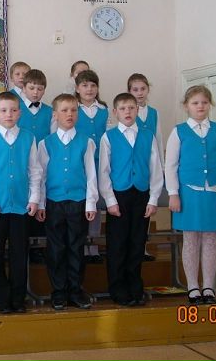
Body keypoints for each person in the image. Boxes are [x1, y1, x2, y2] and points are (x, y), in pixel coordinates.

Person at [165, 85, 216, 305]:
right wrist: (173, 193)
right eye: (195, 103)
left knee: (211, 239)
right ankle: (192, 287)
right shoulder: (179, 131)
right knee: (190, 239)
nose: (200, 106)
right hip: (189, 192)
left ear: (210, 105)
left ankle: (208, 286)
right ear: (186, 106)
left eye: (204, 103)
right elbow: (170, 165)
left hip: (215, 191)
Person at [0, 91, 41, 314]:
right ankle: (1, 299)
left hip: (21, 207)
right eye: (3, 110)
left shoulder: (29, 138)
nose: (9, 114)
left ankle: (18, 299)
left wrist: (34, 198)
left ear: (20, 113)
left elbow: (35, 171)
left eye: (13, 110)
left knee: (19, 255)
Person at [99, 92, 163, 307]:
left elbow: (156, 169)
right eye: (123, 108)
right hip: (119, 195)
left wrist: (153, 199)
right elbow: (104, 171)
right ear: (115, 112)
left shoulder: (148, 136)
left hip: (141, 194)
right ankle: (118, 289)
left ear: (137, 110)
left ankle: (135, 287)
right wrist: (110, 200)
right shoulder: (108, 137)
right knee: (117, 244)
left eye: (131, 108)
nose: (127, 112)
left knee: (137, 243)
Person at [36, 93, 97, 310]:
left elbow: (91, 174)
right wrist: (41, 203)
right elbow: (41, 176)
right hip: (54, 202)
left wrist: (91, 202)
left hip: (78, 201)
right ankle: (59, 291)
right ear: (55, 115)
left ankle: (75, 290)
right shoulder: (46, 144)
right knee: (56, 248)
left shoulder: (86, 142)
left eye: (73, 110)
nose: (69, 114)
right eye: (64, 110)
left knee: (76, 247)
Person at [127, 72, 165, 262]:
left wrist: (161, 167)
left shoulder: (154, 113)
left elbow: (158, 139)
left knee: (146, 208)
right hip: (131, 167)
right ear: (129, 91)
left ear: (148, 89)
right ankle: (131, 248)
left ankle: (142, 248)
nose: (139, 93)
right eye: (135, 89)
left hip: (148, 165)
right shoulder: (126, 111)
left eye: (143, 89)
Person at [18, 69, 53, 264]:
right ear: (24, 88)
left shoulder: (49, 111)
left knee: (41, 201)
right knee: (26, 201)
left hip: (43, 163)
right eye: (31, 88)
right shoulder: (16, 110)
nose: (35, 92)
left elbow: (53, 137)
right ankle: (24, 246)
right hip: (22, 163)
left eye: (39, 89)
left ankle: (38, 248)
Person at [74, 70, 109, 263]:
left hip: (100, 163)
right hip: (79, 164)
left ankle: (93, 248)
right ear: (77, 88)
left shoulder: (104, 110)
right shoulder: (73, 109)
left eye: (93, 85)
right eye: (85, 85)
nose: (89, 89)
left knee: (95, 203)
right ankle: (82, 246)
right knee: (83, 203)